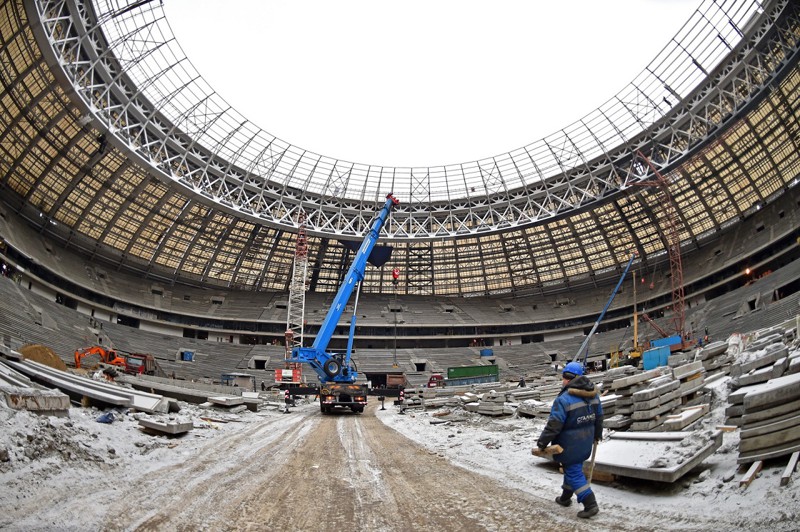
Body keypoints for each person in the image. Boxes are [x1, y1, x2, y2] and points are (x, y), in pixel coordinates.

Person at [536, 361, 603, 519]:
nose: (563, 381)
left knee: (573, 472)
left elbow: (554, 425)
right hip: (586, 442)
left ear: (570, 378)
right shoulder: (594, 395)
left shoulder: (564, 399)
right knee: (573, 469)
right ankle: (565, 498)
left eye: (565, 377)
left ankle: (590, 503)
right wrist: (597, 435)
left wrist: (542, 442)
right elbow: (599, 418)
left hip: (569, 444)